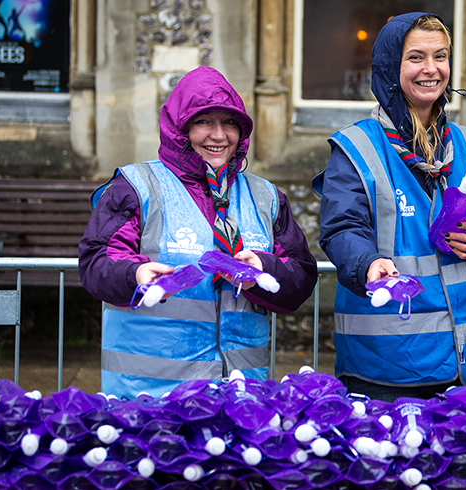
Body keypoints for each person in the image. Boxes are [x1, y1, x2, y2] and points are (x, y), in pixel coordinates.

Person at [79, 66, 318, 399]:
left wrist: (264, 271)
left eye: (229, 122)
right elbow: (96, 263)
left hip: (241, 395)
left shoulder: (266, 197)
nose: (218, 135)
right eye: (203, 121)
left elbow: (301, 278)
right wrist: (134, 274)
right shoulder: (136, 187)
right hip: (151, 397)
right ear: (179, 129)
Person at [314, 12, 466, 402]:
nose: (431, 69)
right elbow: (342, 228)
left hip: (464, 364)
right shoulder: (357, 147)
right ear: (390, 66)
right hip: (385, 366)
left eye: (441, 56)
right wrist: (367, 262)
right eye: (416, 57)